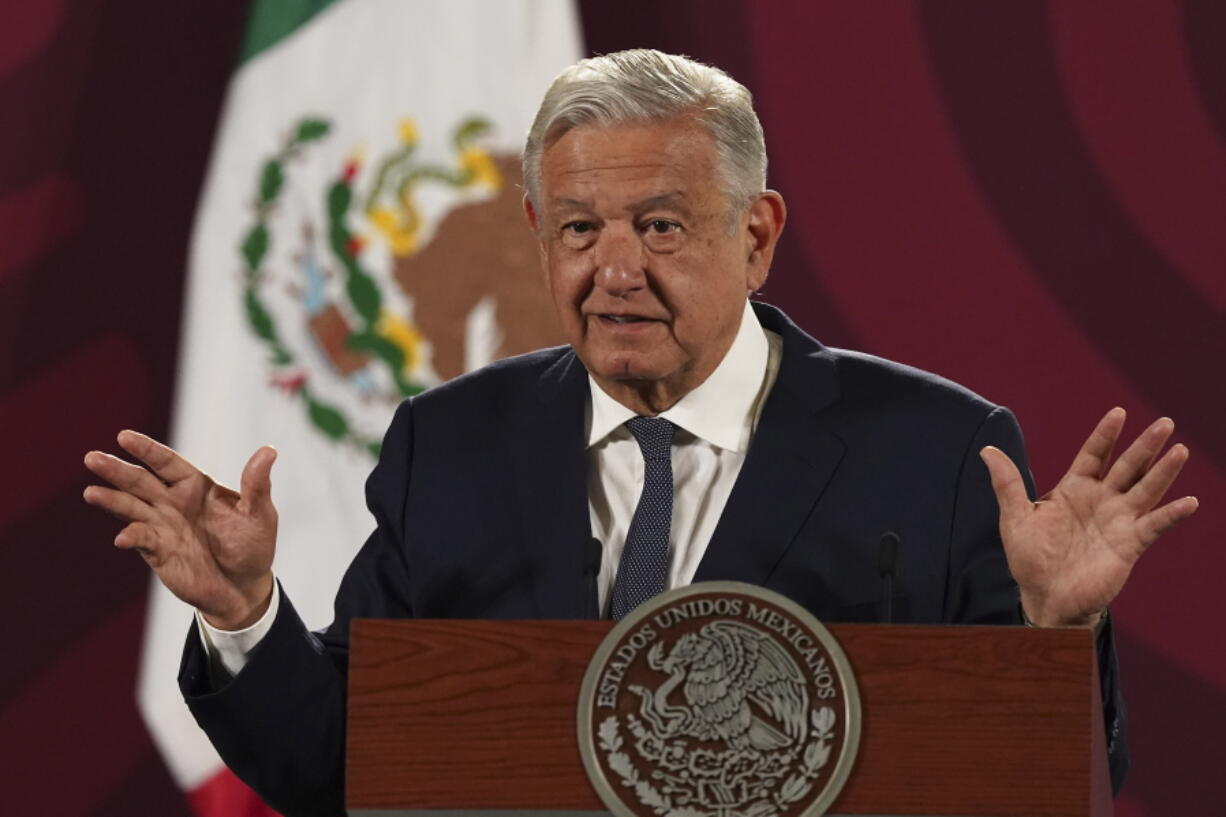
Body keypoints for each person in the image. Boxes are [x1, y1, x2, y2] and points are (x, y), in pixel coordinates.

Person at [83, 50, 1196, 817]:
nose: (612, 270)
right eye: (577, 228)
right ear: (534, 234)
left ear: (755, 235)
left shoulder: (937, 452)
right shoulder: (450, 444)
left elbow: (1047, 785)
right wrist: (242, 616)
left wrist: (1055, 637)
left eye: (658, 225)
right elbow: (344, 767)